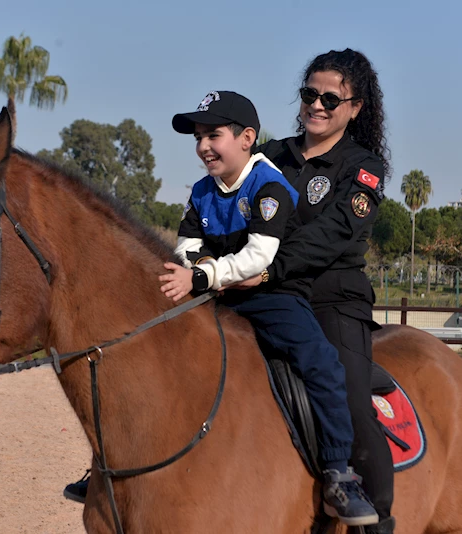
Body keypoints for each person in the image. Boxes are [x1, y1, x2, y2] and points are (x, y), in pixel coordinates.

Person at [67, 90, 379, 527]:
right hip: (215, 292)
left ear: (247, 137)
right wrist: (196, 267)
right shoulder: (201, 191)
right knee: (143, 352)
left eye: (213, 135)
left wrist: (202, 275)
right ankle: (107, 466)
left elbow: (259, 257)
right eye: (198, 137)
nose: (203, 146)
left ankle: (338, 473)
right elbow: (187, 245)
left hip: (271, 296)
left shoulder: (269, 186)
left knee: (322, 363)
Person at [230, 48, 396, 534]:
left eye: (331, 98)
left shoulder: (363, 167)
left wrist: (262, 269)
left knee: (348, 399)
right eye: (309, 94)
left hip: (330, 297)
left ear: (356, 108)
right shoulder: (269, 156)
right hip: (256, 289)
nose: (317, 106)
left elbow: (334, 235)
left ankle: (374, 518)